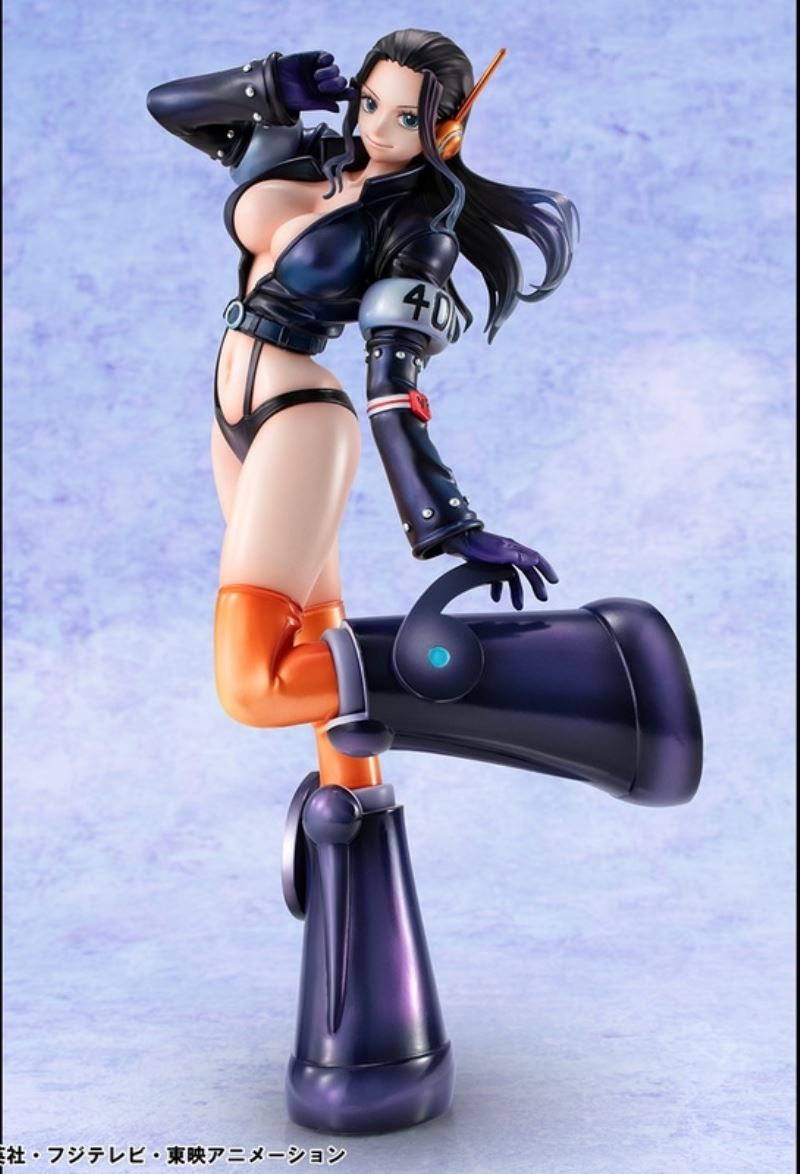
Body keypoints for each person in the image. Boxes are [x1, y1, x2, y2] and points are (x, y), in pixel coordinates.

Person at [147, 27, 579, 1133]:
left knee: (253, 682)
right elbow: (171, 108)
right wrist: (263, 86)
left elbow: (393, 389)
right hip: (233, 416)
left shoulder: (413, 225)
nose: (380, 129)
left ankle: (546, 685)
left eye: (406, 116)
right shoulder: (318, 156)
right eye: (371, 104)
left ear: (446, 127)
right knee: (316, 649)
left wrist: (451, 525)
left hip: (301, 417)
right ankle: (351, 805)